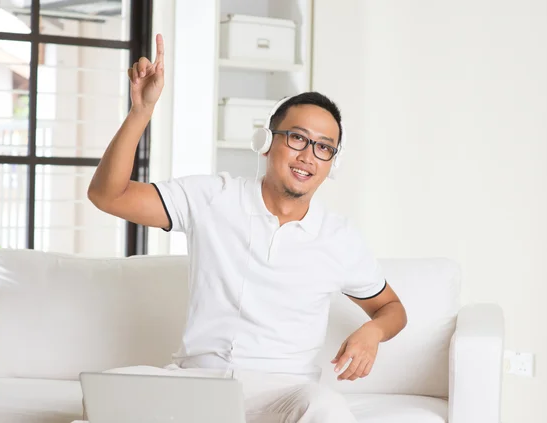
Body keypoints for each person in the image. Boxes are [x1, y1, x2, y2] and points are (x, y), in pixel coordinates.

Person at [88, 33, 407, 423]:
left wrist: (372, 332)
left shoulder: (339, 237)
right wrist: (141, 110)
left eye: (324, 147)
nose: (308, 155)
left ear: (332, 164)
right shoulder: (212, 197)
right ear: (266, 142)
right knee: (110, 392)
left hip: (286, 394)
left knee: (328, 409)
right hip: (198, 383)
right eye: (297, 138)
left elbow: (392, 309)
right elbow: (108, 196)